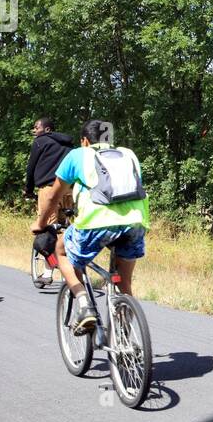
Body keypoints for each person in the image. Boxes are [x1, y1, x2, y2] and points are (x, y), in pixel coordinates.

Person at [32, 120, 148, 334]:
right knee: (124, 283)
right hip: (135, 224)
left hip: (96, 224)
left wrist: (40, 223)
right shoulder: (128, 154)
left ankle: (84, 304)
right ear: (109, 140)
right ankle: (125, 339)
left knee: (61, 250)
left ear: (85, 140)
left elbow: (53, 196)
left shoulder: (78, 155)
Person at [24, 116, 74, 286]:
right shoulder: (68, 144)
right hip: (68, 190)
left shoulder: (41, 141)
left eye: (36, 127)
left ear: (47, 129)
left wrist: (28, 189)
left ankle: (47, 272)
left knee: (48, 229)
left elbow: (31, 167)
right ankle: (71, 263)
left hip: (48, 190)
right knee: (65, 226)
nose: (34, 130)